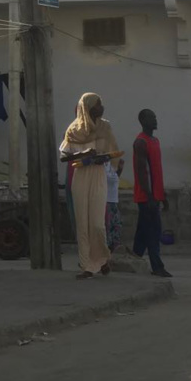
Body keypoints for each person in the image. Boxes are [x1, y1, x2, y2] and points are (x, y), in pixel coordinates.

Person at [60, 93, 120, 280]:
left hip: (98, 175)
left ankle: (101, 258)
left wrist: (105, 159)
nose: (101, 107)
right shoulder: (74, 129)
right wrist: (83, 153)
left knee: (97, 224)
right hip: (80, 175)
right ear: (88, 107)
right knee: (82, 223)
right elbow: (64, 156)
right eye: (97, 104)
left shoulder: (105, 127)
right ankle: (86, 265)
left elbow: (113, 152)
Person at [133, 109, 171, 278]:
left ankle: (134, 261)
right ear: (143, 120)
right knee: (153, 232)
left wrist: (162, 195)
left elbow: (156, 171)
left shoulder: (155, 141)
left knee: (143, 232)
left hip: (155, 195)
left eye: (155, 117)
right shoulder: (141, 142)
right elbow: (142, 172)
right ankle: (157, 266)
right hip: (146, 196)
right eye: (151, 117)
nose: (155, 120)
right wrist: (150, 196)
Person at [104, 160, 124, 251]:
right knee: (108, 227)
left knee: (116, 225)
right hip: (106, 200)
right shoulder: (103, 165)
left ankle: (114, 247)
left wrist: (119, 170)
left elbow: (114, 178)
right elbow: (109, 179)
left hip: (113, 200)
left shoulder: (111, 165)